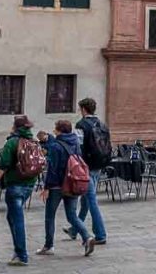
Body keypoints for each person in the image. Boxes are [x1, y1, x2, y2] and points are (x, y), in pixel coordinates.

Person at [37, 120, 95, 257]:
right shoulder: (75, 143)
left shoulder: (56, 146)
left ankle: (49, 246)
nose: (54, 131)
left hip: (57, 186)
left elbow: (52, 168)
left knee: (50, 216)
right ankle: (87, 237)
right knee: (72, 215)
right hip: (73, 182)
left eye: (55, 128)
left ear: (60, 130)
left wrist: (46, 187)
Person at [0, 115, 40, 266]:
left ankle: (21, 254)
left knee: (16, 219)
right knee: (12, 217)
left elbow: (3, 165)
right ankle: (18, 251)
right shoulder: (34, 141)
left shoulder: (12, 142)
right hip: (29, 184)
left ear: (15, 127)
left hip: (15, 184)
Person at [67, 97, 108, 245]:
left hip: (86, 166)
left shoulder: (81, 124)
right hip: (99, 164)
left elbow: (78, 145)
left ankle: (100, 234)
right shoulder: (102, 124)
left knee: (91, 200)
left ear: (83, 109)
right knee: (85, 200)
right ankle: (74, 229)